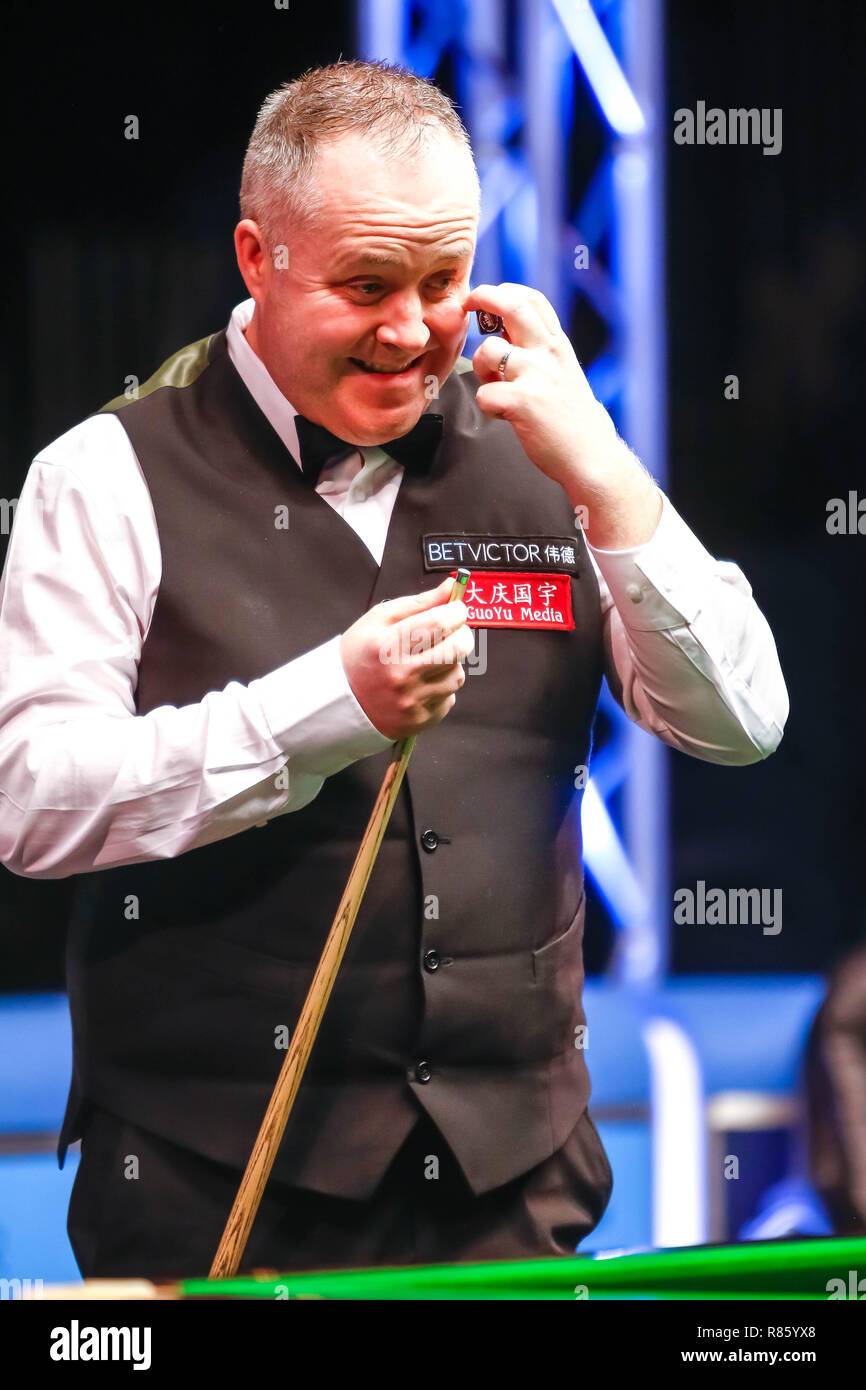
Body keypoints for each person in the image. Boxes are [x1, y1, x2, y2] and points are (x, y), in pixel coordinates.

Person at [0, 60, 789, 1278]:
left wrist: (610, 475)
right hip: (208, 1191)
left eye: (443, 279)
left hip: (511, 1190)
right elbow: (33, 800)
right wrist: (321, 710)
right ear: (255, 258)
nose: (413, 327)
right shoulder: (103, 475)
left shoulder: (556, 452)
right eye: (366, 284)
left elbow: (743, 722)